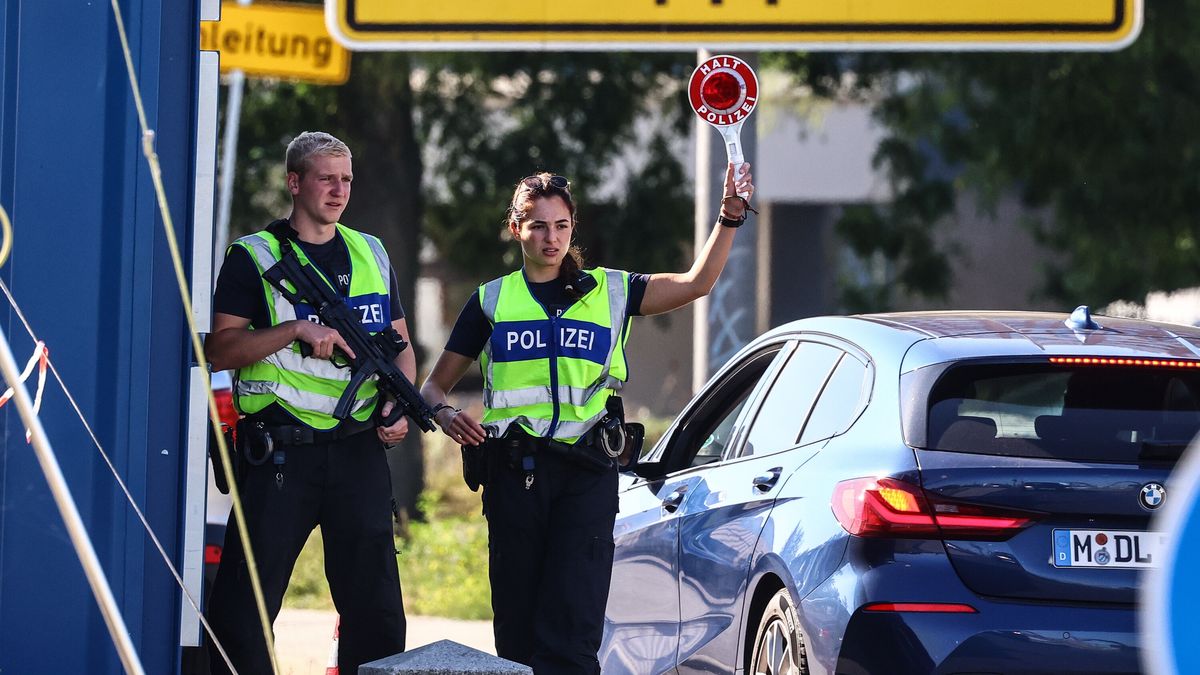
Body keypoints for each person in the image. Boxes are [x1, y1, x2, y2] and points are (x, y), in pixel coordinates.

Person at [419, 163, 755, 672]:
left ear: (573, 227)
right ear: (516, 230)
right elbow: (432, 387)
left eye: (560, 226)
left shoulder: (611, 291)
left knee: (573, 633)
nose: (550, 238)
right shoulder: (491, 301)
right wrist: (446, 415)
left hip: (585, 475)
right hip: (514, 475)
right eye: (537, 225)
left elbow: (696, 282)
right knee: (518, 634)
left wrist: (729, 217)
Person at [204, 131, 410, 675]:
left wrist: (399, 410)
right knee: (241, 614)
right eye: (326, 178)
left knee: (379, 617)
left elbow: (401, 346)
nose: (339, 190)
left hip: (357, 452)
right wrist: (293, 329)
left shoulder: (371, 251)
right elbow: (218, 349)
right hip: (280, 455)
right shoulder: (253, 256)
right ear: (295, 182)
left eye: (346, 179)